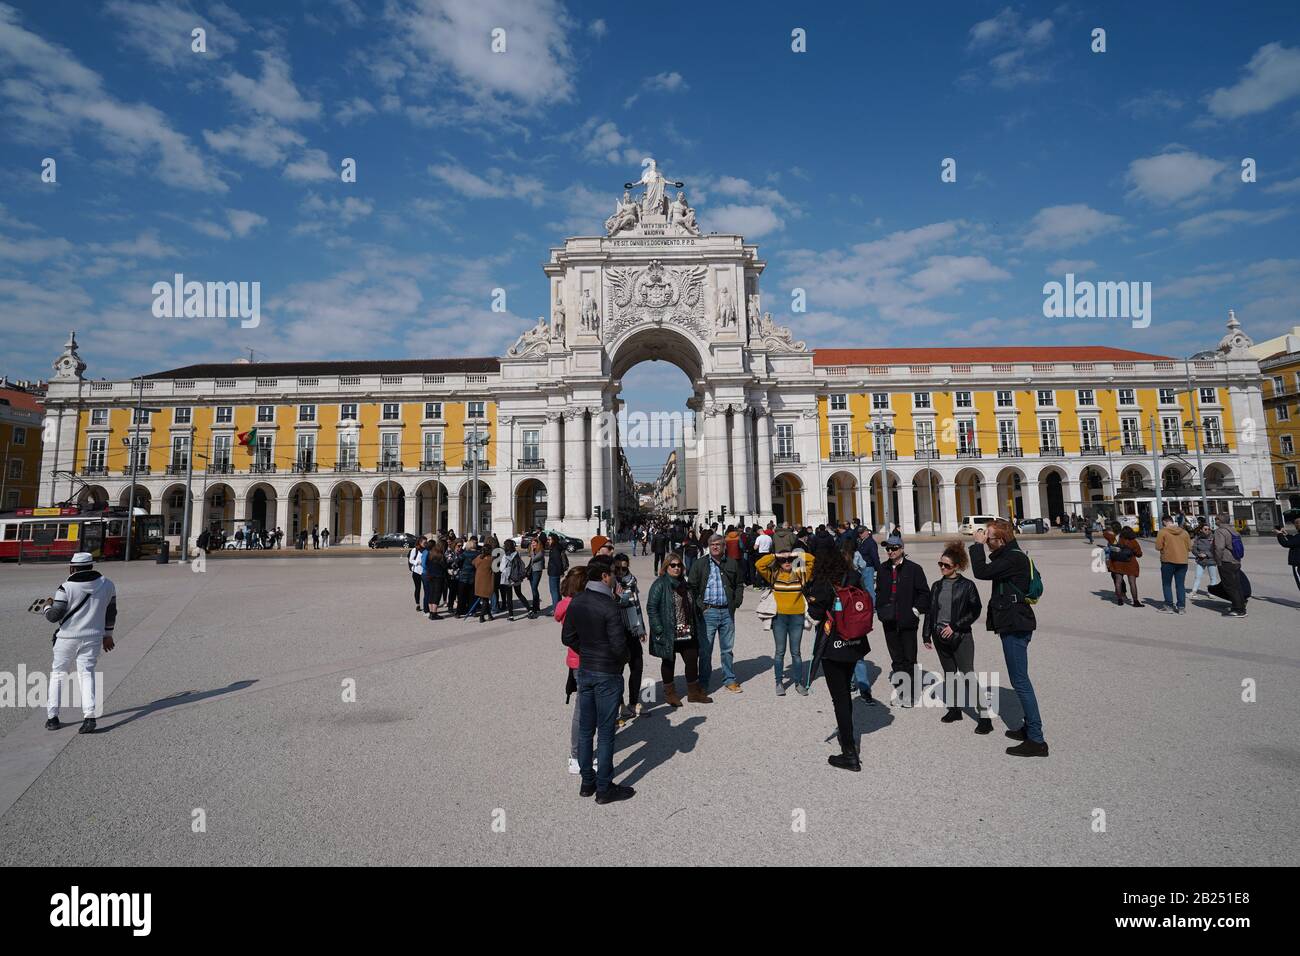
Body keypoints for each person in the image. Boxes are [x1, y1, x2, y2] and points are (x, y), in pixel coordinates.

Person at [970, 520, 1048, 757]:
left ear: (1001, 540)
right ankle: (1029, 728)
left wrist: (977, 546)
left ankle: (1037, 739)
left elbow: (981, 571)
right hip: (1015, 622)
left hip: (1016, 625)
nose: (987, 540)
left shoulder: (1013, 558)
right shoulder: (1011, 555)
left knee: (1020, 682)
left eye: (990, 538)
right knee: (1020, 679)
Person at [562, 562, 635, 804]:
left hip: (585, 669)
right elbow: (618, 645)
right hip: (607, 672)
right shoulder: (609, 605)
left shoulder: (578, 600)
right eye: (613, 575)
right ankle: (604, 788)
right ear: (605, 577)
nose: (616, 579)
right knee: (605, 732)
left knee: (585, 730)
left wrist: (587, 651)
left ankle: (587, 782)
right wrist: (623, 658)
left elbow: (568, 637)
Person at [803, 546, 869, 771]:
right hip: (854, 642)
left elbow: (815, 615)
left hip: (833, 644)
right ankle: (846, 732)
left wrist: (808, 598)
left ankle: (849, 752)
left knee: (839, 697)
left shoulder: (823, 582)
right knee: (845, 694)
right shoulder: (853, 576)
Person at [41, 552, 117, 734]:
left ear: (72, 568)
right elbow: (111, 612)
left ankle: (52, 718)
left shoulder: (66, 588)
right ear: (91, 566)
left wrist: (46, 606)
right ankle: (89, 717)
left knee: (58, 674)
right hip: (93, 637)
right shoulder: (108, 585)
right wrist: (108, 635)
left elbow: (54, 616)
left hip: (67, 638)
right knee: (87, 674)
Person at [921, 542, 992, 733]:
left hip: (961, 637)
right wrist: (926, 634)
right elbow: (930, 611)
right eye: (940, 564)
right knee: (950, 675)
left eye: (947, 565)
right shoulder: (936, 586)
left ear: (957, 566)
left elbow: (975, 610)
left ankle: (985, 716)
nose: (942, 568)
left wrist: (954, 626)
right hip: (939, 637)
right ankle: (955, 710)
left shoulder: (967, 586)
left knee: (967, 674)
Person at [874, 535, 930, 707]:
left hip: (907, 620)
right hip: (889, 620)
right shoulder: (882, 569)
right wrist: (880, 608)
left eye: (893, 548)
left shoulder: (914, 569)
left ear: (902, 549)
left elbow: (924, 593)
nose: (890, 551)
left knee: (909, 658)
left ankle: (910, 693)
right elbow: (879, 592)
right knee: (896, 658)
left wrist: (916, 610)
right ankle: (901, 690)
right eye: (887, 549)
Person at [687, 533, 744, 694]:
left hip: (727, 611)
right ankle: (704, 682)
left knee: (727, 649)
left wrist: (737, 601)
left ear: (724, 546)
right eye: (712, 544)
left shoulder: (731, 563)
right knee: (705, 650)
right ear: (708, 546)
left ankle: (729, 679)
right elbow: (692, 586)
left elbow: (739, 583)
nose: (715, 546)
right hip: (708, 611)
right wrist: (699, 605)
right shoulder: (700, 564)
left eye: (718, 544)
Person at [647, 551, 706, 706]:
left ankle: (693, 692)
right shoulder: (660, 584)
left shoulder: (685, 585)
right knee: (668, 661)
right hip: (668, 630)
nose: (677, 568)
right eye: (673, 565)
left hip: (686, 629)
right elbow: (652, 608)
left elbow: (692, 604)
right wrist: (658, 628)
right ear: (666, 567)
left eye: (679, 565)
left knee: (692, 659)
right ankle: (670, 694)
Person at [755, 547, 814, 696]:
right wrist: (776, 555)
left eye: (790, 560)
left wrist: (795, 554)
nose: (787, 562)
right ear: (778, 562)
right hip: (779, 617)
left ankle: (798, 682)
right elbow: (759, 565)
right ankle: (779, 682)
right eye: (783, 560)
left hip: (797, 617)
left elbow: (812, 560)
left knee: (796, 652)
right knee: (779, 652)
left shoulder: (801, 574)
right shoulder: (774, 574)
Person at [557, 566, 594, 775]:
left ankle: (580, 752)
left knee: (585, 708)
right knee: (582, 710)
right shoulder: (576, 606)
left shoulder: (566, 604)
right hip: (583, 660)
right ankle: (576, 755)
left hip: (576, 660)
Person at [612, 553, 646, 718]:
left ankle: (633, 701)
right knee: (618, 671)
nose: (620, 571)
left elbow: (636, 604)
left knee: (637, 666)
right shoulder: (612, 583)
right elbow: (619, 602)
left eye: (624, 568)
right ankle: (620, 705)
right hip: (618, 630)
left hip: (632, 629)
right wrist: (620, 596)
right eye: (617, 568)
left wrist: (641, 629)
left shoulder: (632, 581)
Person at [1155, 515, 1192, 614]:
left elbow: (1158, 547)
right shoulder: (1184, 532)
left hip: (1168, 561)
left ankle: (1169, 606)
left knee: (1167, 584)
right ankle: (1181, 607)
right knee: (1180, 585)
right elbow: (1190, 547)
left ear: (1164, 522)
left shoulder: (1162, 532)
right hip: (1182, 561)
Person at [1212, 513, 1247, 617]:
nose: (1215, 521)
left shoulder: (1220, 531)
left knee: (1230, 586)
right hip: (1236, 560)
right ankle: (1240, 605)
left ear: (1219, 520)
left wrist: (1218, 560)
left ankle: (1238, 609)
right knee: (1236, 585)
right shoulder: (1233, 530)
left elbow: (1219, 548)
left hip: (1226, 561)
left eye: (1216, 519)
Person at [1104, 524, 1143, 608]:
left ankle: (1119, 600)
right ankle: (1135, 601)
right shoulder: (1133, 541)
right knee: (1132, 582)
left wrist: (1110, 530)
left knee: (1118, 581)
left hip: (1118, 563)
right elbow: (1139, 554)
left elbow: (1106, 534)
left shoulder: (1116, 539)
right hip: (1131, 563)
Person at [497, 539, 527, 621]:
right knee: (519, 594)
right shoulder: (517, 554)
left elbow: (502, 568)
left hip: (508, 578)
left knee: (509, 597)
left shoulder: (505, 556)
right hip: (516, 577)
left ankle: (511, 615)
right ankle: (529, 609)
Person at [1190, 523, 1220, 596]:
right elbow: (1194, 548)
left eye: (1208, 529)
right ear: (1201, 530)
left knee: (1213, 577)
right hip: (1200, 560)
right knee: (1197, 576)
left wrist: (1206, 554)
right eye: (1205, 529)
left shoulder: (1213, 537)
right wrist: (1198, 554)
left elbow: (1216, 549)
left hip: (1211, 560)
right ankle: (1194, 591)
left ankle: (1212, 592)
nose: (1207, 530)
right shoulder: (1198, 538)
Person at [423, 541, 448, 619]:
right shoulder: (441, 556)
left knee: (431, 593)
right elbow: (445, 566)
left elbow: (426, 564)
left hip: (430, 576)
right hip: (438, 577)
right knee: (437, 595)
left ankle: (431, 612)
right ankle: (434, 613)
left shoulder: (430, 554)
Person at [1278, 510, 1300, 594]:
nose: (1295, 525)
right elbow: (1295, 541)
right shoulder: (1298, 536)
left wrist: (1279, 534)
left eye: (1297, 523)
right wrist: (1286, 534)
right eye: (1295, 523)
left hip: (1298, 563)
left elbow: (1286, 543)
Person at [547, 534, 569, 616]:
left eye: (550, 539)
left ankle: (556, 610)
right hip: (556, 571)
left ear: (554, 540)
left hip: (554, 572)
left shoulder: (555, 548)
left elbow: (557, 562)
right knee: (557, 591)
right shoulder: (557, 547)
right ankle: (560, 608)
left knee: (554, 591)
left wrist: (560, 572)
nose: (548, 541)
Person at [473, 545, 496, 622]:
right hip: (486, 581)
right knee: (485, 600)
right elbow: (496, 569)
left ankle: (489, 615)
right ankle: (482, 617)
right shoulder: (491, 559)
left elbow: (473, 563)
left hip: (479, 581)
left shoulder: (479, 557)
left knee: (484, 599)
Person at [525, 538, 546, 619]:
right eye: (532, 543)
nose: (533, 544)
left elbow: (533, 559)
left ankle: (534, 607)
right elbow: (529, 555)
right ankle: (536, 606)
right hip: (531, 571)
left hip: (537, 571)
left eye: (534, 543)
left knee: (534, 588)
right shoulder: (533, 551)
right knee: (534, 589)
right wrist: (531, 549)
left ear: (538, 544)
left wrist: (532, 550)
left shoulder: (541, 551)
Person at [409, 537, 426, 611]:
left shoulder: (427, 550)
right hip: (416, 571)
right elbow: (411, 560)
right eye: (424, 542)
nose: (426, 544)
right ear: (420, 542)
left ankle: (426, 604)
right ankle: (418, 604)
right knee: (417, 588)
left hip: (425, 572)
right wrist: (417, 562)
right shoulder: (415, 550)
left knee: (426, 589)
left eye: (426, 542)